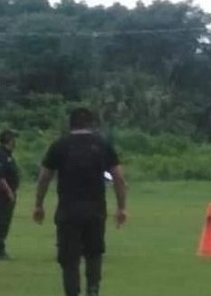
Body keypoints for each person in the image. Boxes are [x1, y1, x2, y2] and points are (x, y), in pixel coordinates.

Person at [33, 108, 128, 296]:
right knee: (94, 254)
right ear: (91, 124)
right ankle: (93, 291)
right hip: (96, 211)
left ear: (70, 124)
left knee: (69, 260)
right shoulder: (102, 145)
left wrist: (39, 204)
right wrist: (121, 207)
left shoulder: (59, 145)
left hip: (68, 211)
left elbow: (44, 177)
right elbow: (118, 178)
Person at [0, 129, 20, 260]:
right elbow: (0, 178)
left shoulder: (8, 154)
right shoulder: (0, 154)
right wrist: (9, 192)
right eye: (14, 139)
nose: (15, 142)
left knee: (5, 223)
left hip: (7, 194)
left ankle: (0, 249)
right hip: (2, 195)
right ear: (9, 140)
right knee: (1, 223)